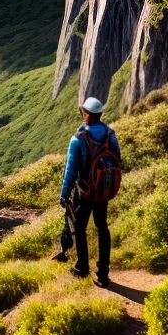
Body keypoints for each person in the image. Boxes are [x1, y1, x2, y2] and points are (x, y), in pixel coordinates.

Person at [58, 96, 121, 287]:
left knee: (79, 228)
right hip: (103, 191)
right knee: (102, 228)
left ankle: (82, 267)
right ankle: (103, 274)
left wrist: (64, 193)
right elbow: (117, 159)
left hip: (85, 192)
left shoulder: (78, 139)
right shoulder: (110, 134)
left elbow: (70, 170)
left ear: (86, 114)